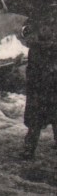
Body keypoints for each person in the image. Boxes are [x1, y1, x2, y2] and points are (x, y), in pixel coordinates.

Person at [22, 10, 57, 159]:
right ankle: (29, 150)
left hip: (44, 87)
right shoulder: (39, 48)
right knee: (39, 120)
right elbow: (34, 70)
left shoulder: (37, 47)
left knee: (42, 118)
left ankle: (29, 149)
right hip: (43, 87)